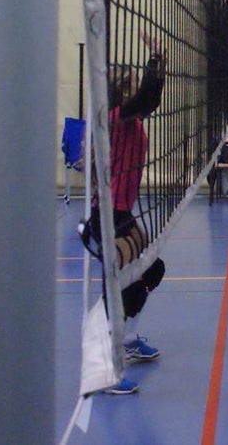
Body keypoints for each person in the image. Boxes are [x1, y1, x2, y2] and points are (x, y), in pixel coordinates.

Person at [86, 31, 169, 395]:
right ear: (121, 89)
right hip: (106, 215)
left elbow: (149, 99)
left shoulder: (129, 118)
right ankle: (103, 367)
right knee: (121, 287)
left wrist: (157, 68)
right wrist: (155, 63)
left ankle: (129, 338)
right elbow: (147, 99)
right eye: (130, 83)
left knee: (151, 269)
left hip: (122, 211)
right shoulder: (115, 117)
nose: (135, 88)